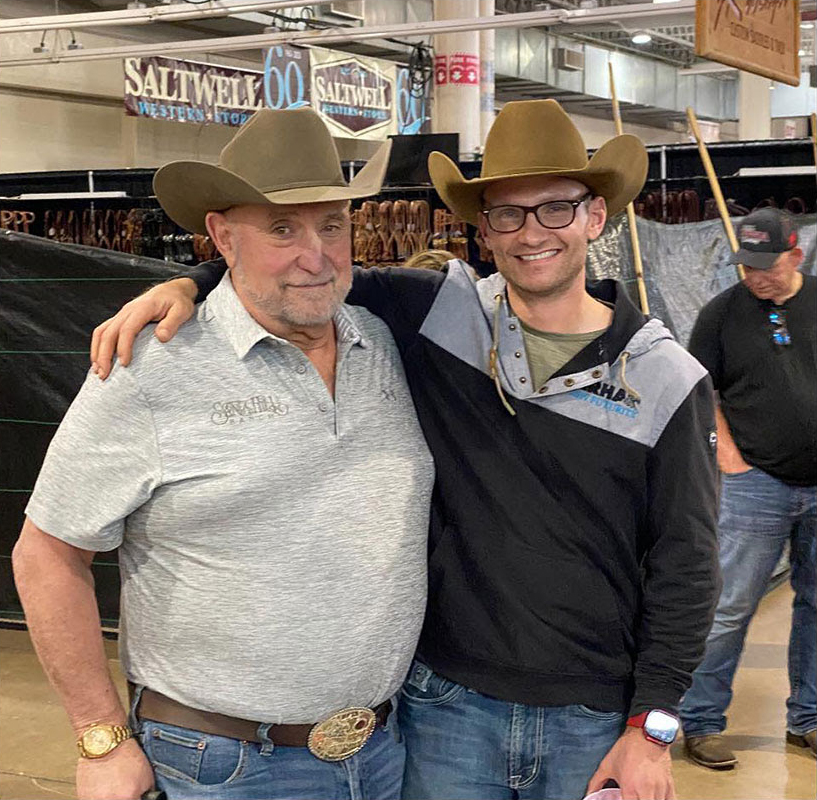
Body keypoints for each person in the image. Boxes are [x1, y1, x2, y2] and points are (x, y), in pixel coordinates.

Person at [90, 99, 720, 800]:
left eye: (555, 209)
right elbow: (302, 276)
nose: (531, 232)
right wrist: (186, 283)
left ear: (595, 217)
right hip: (445, 706)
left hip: (592, 716)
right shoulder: (440, 315)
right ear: (483, 228)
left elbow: (687, 567)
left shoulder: (664, 378)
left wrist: (652, 727)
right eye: (507, 214)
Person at [12, 108, 435, 800]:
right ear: (222, 235)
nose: (316, 255)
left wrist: (194, 278)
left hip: (383, 753)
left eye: (332, 225)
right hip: (222, 764)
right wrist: (99, 738)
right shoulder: (151, 369)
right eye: (281, 229)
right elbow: (46, 555)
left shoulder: (385, 342)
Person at [680, 208, 817, 768]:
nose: (755, 276)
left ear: (796, 255)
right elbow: (698, 391)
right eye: (747, 265)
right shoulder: (721, 315)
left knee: (816, 604)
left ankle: (808, 719)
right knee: (730, 607)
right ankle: (700, 722)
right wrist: (729, 456)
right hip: (756, 485)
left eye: (767, 265)